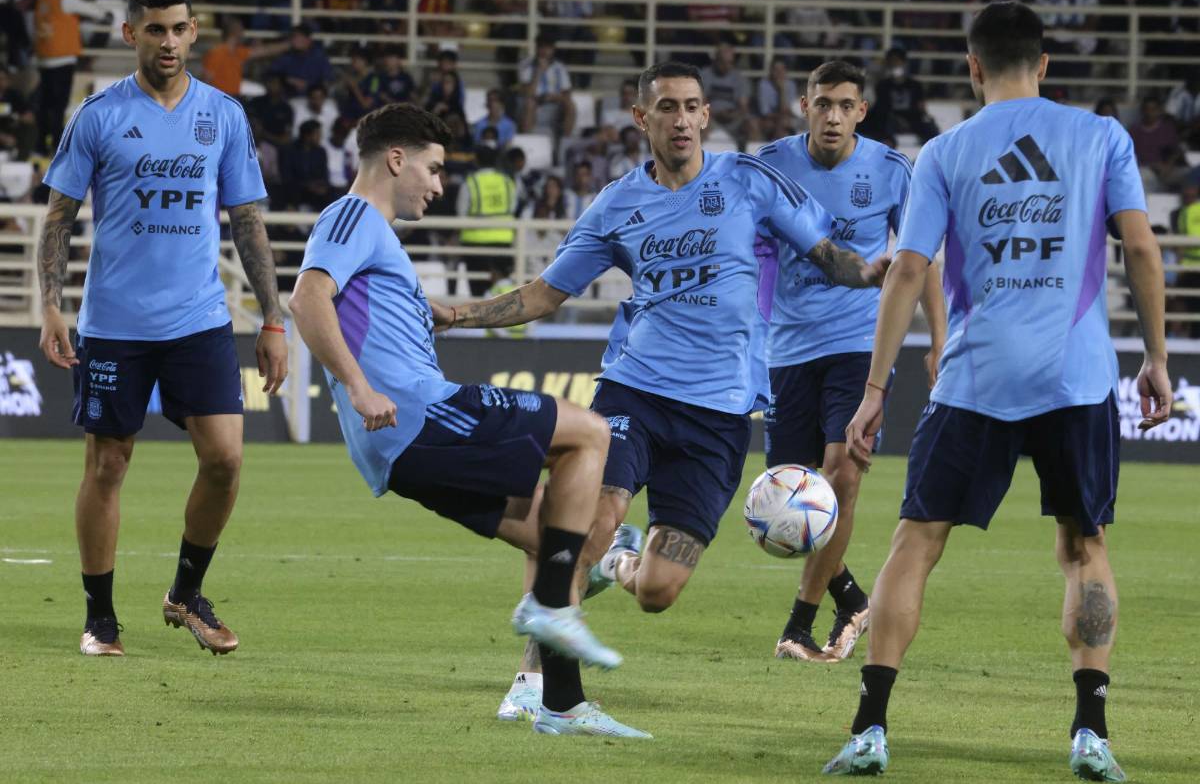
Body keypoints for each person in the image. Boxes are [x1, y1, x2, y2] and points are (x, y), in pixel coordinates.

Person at [440, 62, 888, 721]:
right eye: (667, 107)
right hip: (634, 394)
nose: (681, 119)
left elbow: (826, 254)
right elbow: (543, 294)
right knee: (589, 522)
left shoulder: (747, 181)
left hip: (720, 417)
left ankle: (618, 560)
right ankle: (535, 682)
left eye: (692, 106)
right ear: (640, 117)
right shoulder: (617, 204)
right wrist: (457, 313)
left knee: (657, 589)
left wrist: (874, 273)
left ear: (706, 115)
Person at [821, 2, 1171, 780]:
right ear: (1043, 63)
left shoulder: (946, 151)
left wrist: (874, 390)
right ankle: (1091, 733)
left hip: (977, 375)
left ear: (972, 67)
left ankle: (870, 727)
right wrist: (1155, 356)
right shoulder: (1100, 136)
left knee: (916, 541)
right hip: (1076, 375)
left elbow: (908, 271)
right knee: (1084, 547)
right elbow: (1142, 248)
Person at [287, 102, 647, 739]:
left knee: (557, 534)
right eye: (433, 169)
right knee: (590, 432)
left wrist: (421, 311)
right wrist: (360, 387)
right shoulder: (352, 216)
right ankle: (553, 608)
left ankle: (559, 703)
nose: (438, 184)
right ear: (395, 159)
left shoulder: (375, 238)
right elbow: (307, 297)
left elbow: (359, 309)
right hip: (421, 414)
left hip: (399, 447)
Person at [36, 0, 288, 658]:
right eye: (155, 29)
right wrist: (52, 306)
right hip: (115, 323)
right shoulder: (98, 115)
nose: (169, 41)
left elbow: (247, 221)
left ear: (193, 31)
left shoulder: (224, 115)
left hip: (199, 320)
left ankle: (185, 594)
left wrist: (273, 319)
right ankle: (100, 618)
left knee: (226, 460)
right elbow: (58, 218)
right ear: (130, 34)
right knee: (108, 466)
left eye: (179, 28)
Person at [756, 60, 946, 664]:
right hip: (787, 348)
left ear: (862, 111)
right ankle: (853, 599)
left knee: (842, 475)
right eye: (823, 104)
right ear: (804, 106)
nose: (833, 116)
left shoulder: (891, 170)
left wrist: (939, 339)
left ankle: (799, 625)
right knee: (790, 500)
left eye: (845, 105)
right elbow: (753, 250)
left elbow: (921, 258)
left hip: (859, 346)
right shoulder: (770, 164)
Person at [33, 0, 111, 154]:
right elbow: (95, 12)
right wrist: (106, 14)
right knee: (59, 105)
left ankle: (41, 144)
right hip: (62, 59)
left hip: (44, 58)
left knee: (45, 103)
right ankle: (56, 144)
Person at [456, 142, 518, 296]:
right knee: (503, 289)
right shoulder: (507, 181)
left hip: (475, 244)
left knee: (478, 292)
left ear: (476, 160)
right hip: (503, 241)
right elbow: (513, 207)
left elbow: (461, 212)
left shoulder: (471, 182)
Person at [200, 17, 288, 98]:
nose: (243, 33)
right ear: (235, 31)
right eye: (241, 29)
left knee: (260, 90)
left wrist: (289, 44)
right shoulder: (216, 53)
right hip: (221, 97)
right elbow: (206, 80)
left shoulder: (237, 51)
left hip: (233, 95)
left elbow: (265, 51)